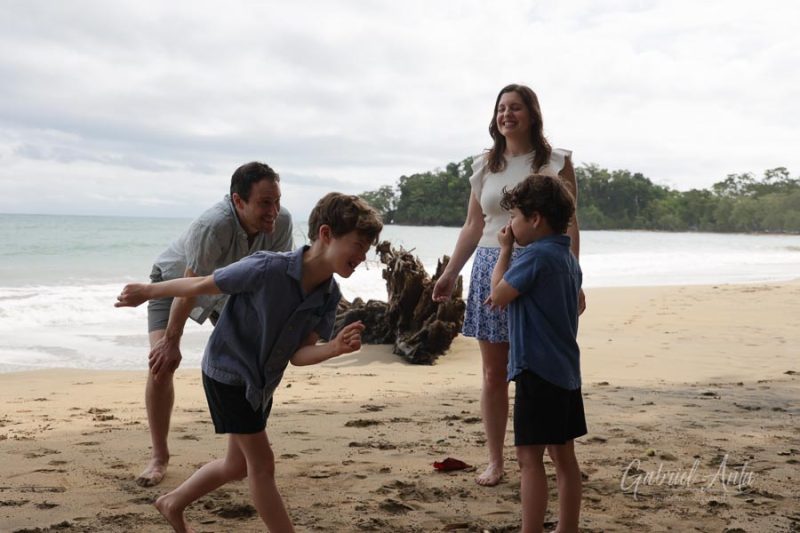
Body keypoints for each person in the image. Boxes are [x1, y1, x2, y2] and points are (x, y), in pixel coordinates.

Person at [115, 192, 383, 532]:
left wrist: (333, 349)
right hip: (227, 373)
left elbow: (298, 356)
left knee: (236, 466)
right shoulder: (267, 267)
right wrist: (148, 292)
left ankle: (172, 502)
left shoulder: (327, 297)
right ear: (326, 234)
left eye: (366, 249)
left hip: (259, 385)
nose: (362, 257)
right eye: (358, 245)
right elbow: (201, 283)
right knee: (263, 466)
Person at [432, 83, 584, 486]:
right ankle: (497, 461)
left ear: (532, 114)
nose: (507, 115)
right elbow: (473, 225)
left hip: (545, 266)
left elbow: (570, 223)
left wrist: (575, 275)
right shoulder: (485, 166)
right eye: (501, 108)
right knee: (493, 373)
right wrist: (450, 272)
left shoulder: (555, 160)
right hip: (490, 262)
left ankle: (558, 456)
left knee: (545, 366)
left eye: (515, 108)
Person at [140, 161, 294, 487]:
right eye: (264, 203)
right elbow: (190, 286)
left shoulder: (282, 222)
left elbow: (279, 279)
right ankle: (159, 457)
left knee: (253, 363)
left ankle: (237, 456)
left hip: (227, 291)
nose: (274, 211)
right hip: (174, 285)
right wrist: (172, 340)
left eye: (277, 201)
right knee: (161, 365)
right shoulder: (214, 226)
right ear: (238, 201)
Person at [486, 174, 585, 533]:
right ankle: (567, 528)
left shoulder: (535, 257)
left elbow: (497, 295)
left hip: (536, 371)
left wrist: (504, 251)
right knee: (564, 457)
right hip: (566, 372)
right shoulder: (568, 259)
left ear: (536, 218)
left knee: (529, 460)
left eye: (514, 217)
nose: (510, 225)